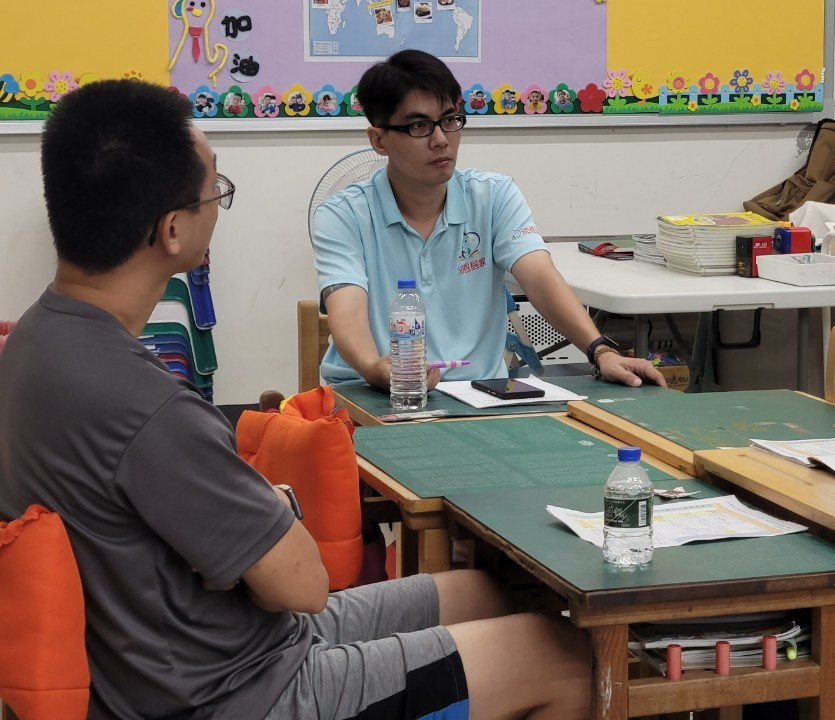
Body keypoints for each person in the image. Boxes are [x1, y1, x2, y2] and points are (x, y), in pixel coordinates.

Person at [0, 79, 590, 720]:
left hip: (195, 646)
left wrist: (247, 530)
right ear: (171, 230)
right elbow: (304, 586)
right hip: (241, 689)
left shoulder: (31, 344)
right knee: (563, 655)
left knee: (486, 591)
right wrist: (276, 507)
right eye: (215, 191)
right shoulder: (149, 407)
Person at [311, 49, 664, 390]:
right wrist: (374, 368)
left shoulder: (493, 197)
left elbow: (539, 277)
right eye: (419, 125)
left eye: (450, 120)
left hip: (478, 391)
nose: (440, 140)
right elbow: (347, 309)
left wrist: (600, 350)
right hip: (370, 391)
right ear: (378, 139)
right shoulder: (343, 215)